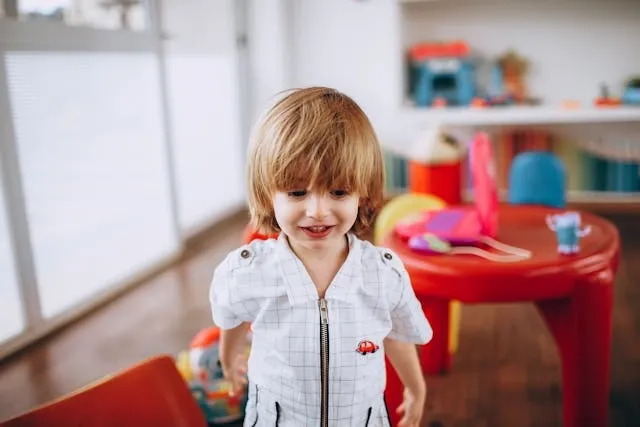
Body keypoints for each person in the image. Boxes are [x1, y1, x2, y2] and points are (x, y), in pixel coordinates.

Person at [209, 87, 433, 426]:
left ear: (362, 192)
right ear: (268, 194)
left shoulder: (383, 275)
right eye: (297, 192)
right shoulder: (247, 271)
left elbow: (396, 333)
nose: (317, 210)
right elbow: (234, 316)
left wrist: (416, 389)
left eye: (339, 192)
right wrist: (229, 360)